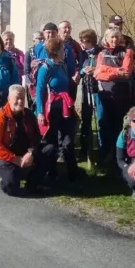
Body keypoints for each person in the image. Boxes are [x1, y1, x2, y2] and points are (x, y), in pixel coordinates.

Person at [0, 85, 54, 196]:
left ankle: (33, 183)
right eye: (17, 98)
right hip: (6, 157)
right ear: (9, 99)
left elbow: (37, 138)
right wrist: (16, 160)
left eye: (23, 98)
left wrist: (31, 152)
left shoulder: (29, 115)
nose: (20, 101)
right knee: (10, 188)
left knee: (50, 149)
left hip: (25, 153)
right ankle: (10, 176)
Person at [35, 37, 78, 180]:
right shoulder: (45, 68)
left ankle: (72, 173)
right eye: (62, 49)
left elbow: (67, 86)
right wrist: (40, 112)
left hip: (64, 109)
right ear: (55, 51)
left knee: (68, 139)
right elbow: (40, 91)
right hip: (50, 110)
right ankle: (51, 172)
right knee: (51, 141)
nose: (65, 51)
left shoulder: (63, 66)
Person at [94, 27, 135, 165]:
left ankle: (120, 156)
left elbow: (126, 72)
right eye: (111, 37)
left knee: (120, 127)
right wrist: (115, 71)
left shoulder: (126, 52)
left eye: (116, 37)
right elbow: (97, 74)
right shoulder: (101, 53)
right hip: (105, 95)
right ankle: (107, 155)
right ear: (106, 38)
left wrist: (107, 72)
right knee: (106, 127)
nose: (114, 40)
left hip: (121, 96)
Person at [76, 29, 101, 160]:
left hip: (97, 89)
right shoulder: (83, 53)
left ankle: (101, 149)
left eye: (84, 41)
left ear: (91, 41)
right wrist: (81, 72)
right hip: (86, 88)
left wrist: (95, 70)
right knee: (86, 120)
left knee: (100, 119)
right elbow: (80, 67)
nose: (82, 44)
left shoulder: (100, 52)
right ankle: (85, 149)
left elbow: (103, 68)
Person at [59, 21, 83, 101]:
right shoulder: (54, 43)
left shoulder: (75, 45)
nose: (67, 29)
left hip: (71, 79)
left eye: (69, 28)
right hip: (57, 77)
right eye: (65, 27)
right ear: (59, 30)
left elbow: (81, 62)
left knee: (70, 103)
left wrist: (78, 73)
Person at [23, 30, 44, 104]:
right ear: (33, 40)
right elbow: (26, 70)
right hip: (32, 84)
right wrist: (29, 84)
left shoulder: (46, 52)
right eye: (38, 38)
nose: (41, 40)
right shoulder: (29, 53)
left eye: (42, 38)